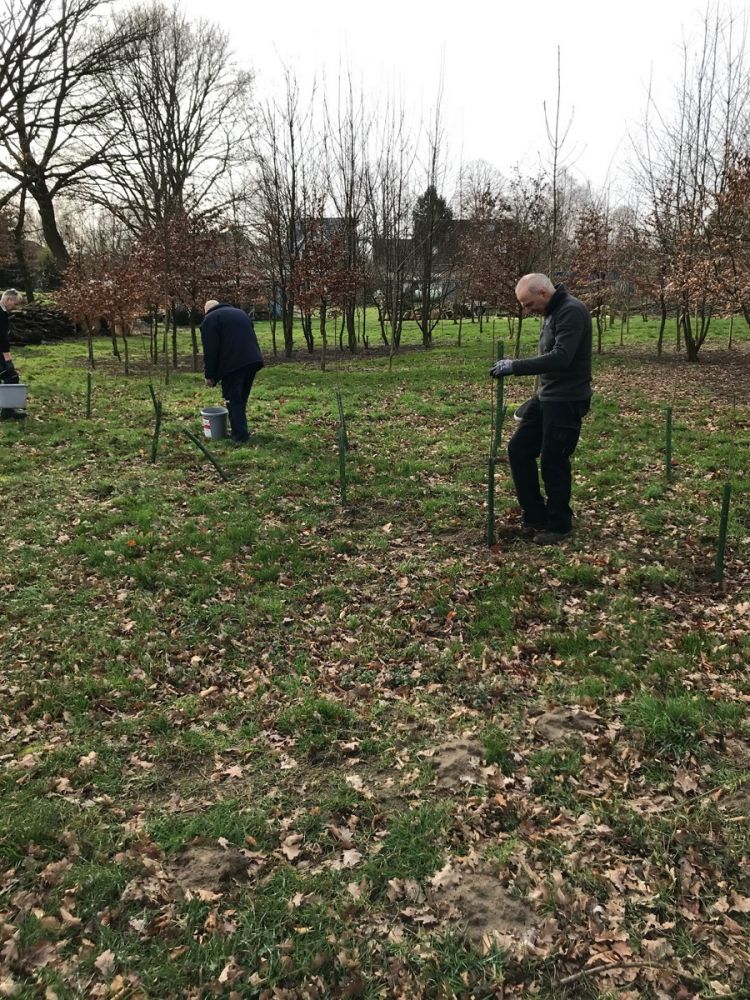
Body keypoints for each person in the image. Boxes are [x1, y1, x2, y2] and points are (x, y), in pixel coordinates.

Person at [490, 273, 592, 545]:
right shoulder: (552, 311)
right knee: (519, 449)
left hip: (567, 399)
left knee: (553, 461)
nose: (527, 311)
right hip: (546, 396)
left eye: (527, 304)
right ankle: (535, 514)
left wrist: (516, 366)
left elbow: (561, 358)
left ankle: (559, 525)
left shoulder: (572, 311)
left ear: (543, 294)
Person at [200, 299, 264, 443]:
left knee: (234, 399)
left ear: (206, 311)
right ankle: (240, 430)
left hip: (233, 364)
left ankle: (240, 437)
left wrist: (210, 376)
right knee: (241, 399)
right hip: (253, 360)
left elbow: (211, 350)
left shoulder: (210, 319)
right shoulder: (240, 313)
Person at [0, 288, 26, 421]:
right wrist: (8, 358)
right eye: (15, 304)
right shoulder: (1, 314)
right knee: (11, 376)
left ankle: (7, 408)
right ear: (8, 299)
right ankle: (7, 411)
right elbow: (2, 338)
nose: (14, 307)